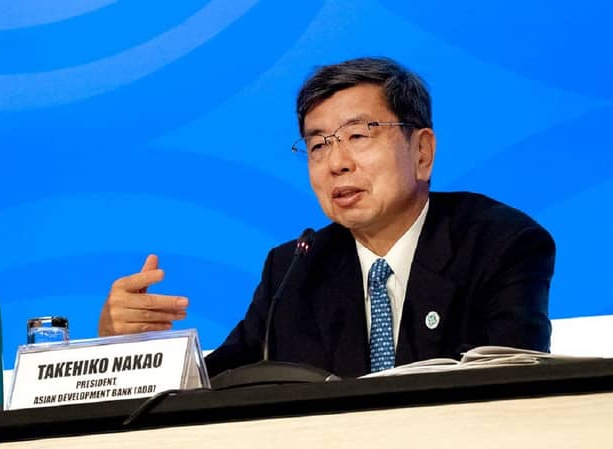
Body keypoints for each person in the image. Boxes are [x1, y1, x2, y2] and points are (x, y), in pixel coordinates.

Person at [98, 57, 555, 378]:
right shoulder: (293, 268)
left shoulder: (501, 243)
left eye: (358, 135)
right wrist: (119, 348)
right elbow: (215, 387)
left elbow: (513, 385)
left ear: (422, 152)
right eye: (318, 145)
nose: (336, 163)